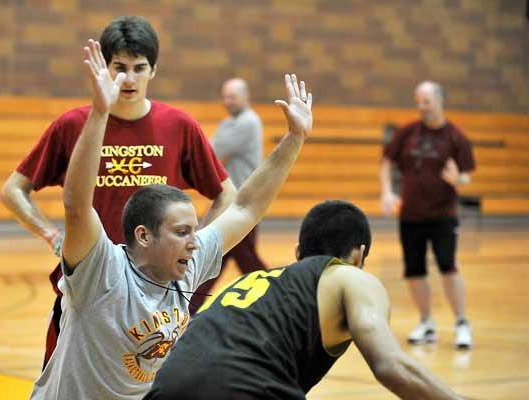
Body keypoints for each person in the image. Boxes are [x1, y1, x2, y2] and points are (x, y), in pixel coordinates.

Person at [29, 36, 313, 399]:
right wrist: (100, 113)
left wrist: (294, 139)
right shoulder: (101, 270)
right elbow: (76, 204)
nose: (195, 241)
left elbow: (244, 207)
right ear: (144, 236)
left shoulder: (187, 263)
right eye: (181, 232)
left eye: (193, 230)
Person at [0, 16, 236, 367]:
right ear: (105, 69)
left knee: (150, 382)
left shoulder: (179, 126)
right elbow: (13, 190)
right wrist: (51, 235)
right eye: (120, 67)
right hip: (90, 285)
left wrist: (194, 241)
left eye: (139, 67)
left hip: (155, 289)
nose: (129, 78)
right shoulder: (73, 125)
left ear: (153, 70)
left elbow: (227, 193)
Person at [144, 200, 465, 400]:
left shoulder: (253, 281)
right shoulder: (349, 276)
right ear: (359, 255)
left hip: (164, 387)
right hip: (245, 387)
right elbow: (392, 367)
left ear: (299, 253)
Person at [380, 81, 475, 349]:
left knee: (448, 265)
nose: (421, 106)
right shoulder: (408, 132)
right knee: (414, 270)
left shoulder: (456, 136)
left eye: (426, 101)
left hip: (443, 215)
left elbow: (467, 175)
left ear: (439, 101)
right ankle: (427, 323)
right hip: (410, 215)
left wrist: (460, 179)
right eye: (418, 101)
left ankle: (461, 323)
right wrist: (387, 192)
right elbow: (386, 161)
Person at [189, 78, 267, 314]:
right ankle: (190, 305)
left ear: (245, 96)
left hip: (242, 203)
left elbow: (211, 152)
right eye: (225, 96)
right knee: (222, 255)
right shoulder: (232, 122)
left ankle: (276, 297)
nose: (227, 102)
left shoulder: (247, 122)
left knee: (239, 257)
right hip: (234, 203)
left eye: (232, 96)